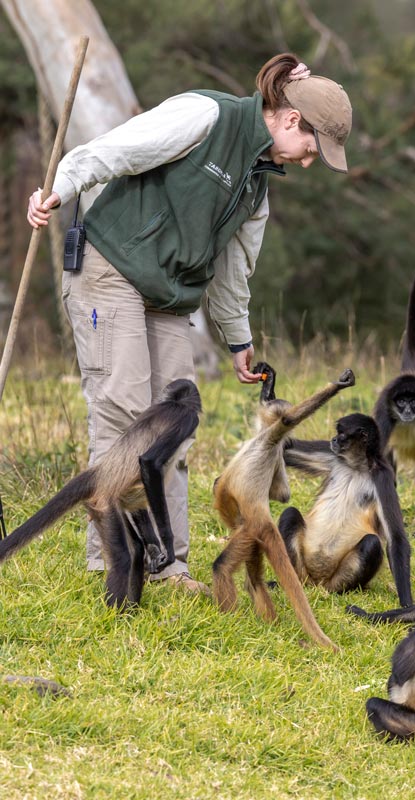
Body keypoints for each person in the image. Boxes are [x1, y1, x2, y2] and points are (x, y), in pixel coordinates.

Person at [26, 53, 353, 592]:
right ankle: (112, 558)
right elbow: (113, 150)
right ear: (292, 119)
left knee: (176, 427)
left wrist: (238, 339)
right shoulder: (204, 115)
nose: (310, 161)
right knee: (125, 411)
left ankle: (169, 566)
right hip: (112, 268)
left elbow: (232, 273)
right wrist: (60, 187)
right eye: (314, 148)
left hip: (170, 295)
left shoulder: (257, 187)